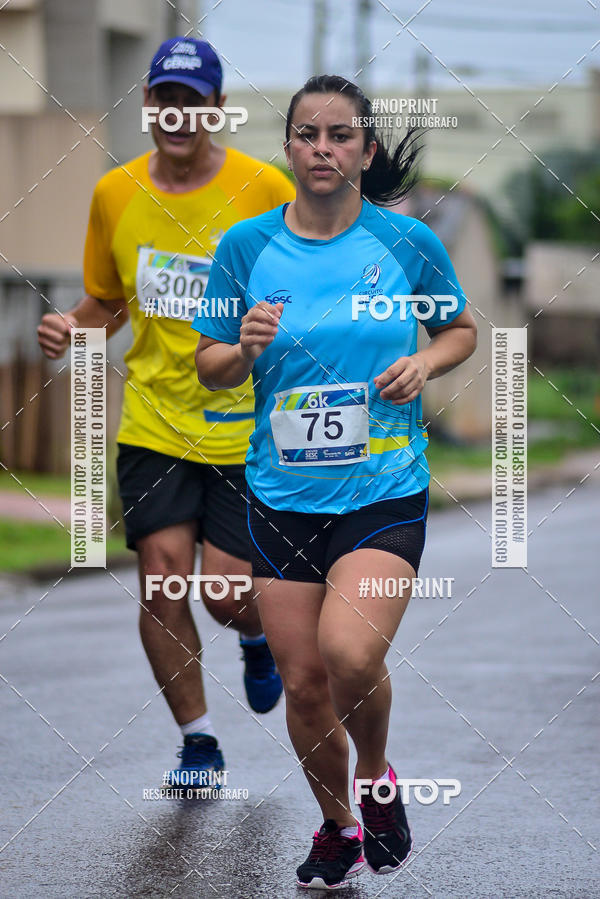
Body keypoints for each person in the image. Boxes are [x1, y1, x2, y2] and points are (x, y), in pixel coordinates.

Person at [194, 73, 477, 886]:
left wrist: (424, 359)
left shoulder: (405, 243)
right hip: (280, 493)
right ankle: (337, 825)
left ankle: (378, 776)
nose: (323, 149)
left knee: (350, 653)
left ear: (366, 149)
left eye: (340, 135)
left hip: (383, 486)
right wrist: (241, 349)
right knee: (307, 685)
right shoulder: (245, 247)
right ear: (288, 147)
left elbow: (459, 328)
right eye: (308, 135)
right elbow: (210, 367)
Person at [37, 37, 295, 787]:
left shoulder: (263, 189)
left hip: (247, 425)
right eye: (164, 98)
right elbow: (107, 303)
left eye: (193, 101)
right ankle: (199, 744)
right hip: (153, 421)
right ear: (148, 103)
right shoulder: (114, 193)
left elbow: (303, 285)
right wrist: (70, 329)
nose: (177, 114)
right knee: (161, 580)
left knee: (228, 596)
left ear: (216, 109)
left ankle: (257, 640)